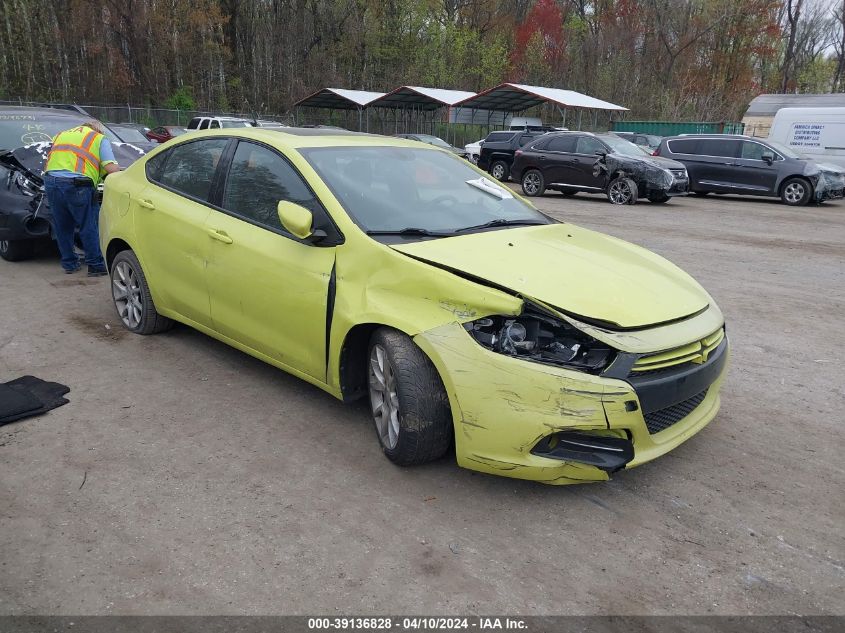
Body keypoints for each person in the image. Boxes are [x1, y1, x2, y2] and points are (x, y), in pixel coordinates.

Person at [43, 121, 120, 276]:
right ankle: (96, 265)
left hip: (51, 181)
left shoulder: (60, 135)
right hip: (77, 185)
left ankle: (69, 264)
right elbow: (111, 168)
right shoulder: (98, 138)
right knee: (88, 224)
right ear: (98, 129)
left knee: (62, 226)